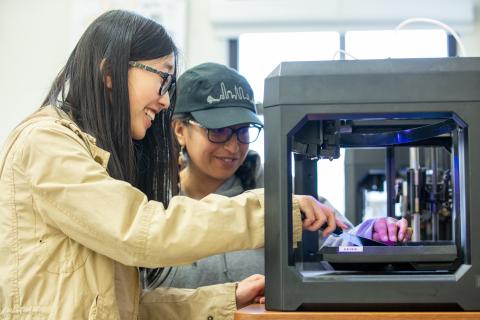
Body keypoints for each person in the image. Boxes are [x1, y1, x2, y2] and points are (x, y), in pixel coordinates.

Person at [0, 10, 340, 320]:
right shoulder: (46, 143)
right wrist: (272, 212)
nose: (165, 101)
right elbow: (143, 231)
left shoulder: (93, 159)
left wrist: (223, 299)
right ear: (110, 73)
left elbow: (126, 306)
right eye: (162, 79)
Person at [139, 62, 412, 291]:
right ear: (179, 130)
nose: (233, 147)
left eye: (243, 130)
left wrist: (370, 235)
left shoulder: (284, 193)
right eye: (218, 131)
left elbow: (341, 241)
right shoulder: (152, 205)